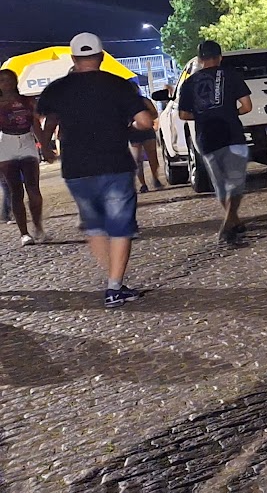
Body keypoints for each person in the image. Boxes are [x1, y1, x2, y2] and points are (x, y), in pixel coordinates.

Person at [35, 33, 153, 307]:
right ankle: (114, 286)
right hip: (114, 164)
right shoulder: (118, 85)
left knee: (96, 226)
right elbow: (145, 121)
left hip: (76, 167)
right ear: (101, 56)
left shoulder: (57, 88)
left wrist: (47, 144)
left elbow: (43, 117)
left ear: (74, 58)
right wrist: (130, 127)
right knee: (120, 226)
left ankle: (112, 280)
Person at [177, 40, 253, 246]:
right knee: (235, 181)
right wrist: (229, 112)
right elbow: (247, 106)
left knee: (220, 184)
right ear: (220, 57)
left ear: (200, 60)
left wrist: (204, 116)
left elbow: (183, 114)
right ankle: (229, 223)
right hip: (232, 133)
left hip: (207, 137)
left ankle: (234, 222)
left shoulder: (189, 83)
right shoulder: (231, 75)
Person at [0, 68, 53, 245]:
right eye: (2, 81)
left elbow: (35, 124)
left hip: (27, 143)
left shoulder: (27, 101)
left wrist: (45, 147)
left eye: (9, 80)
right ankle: (24, 233)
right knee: (15, 190)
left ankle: (38, 226)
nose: (6, 84)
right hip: (6, 143)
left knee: (33, 188)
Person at [128, 93, 162, 193]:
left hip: (146, 130)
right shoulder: (125, 102)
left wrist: (145, 120)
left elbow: (154, 113)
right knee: (137, 159)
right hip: (133, 132)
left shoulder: (143, 100)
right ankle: (143, 184)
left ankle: (155, 178)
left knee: (152, 156)